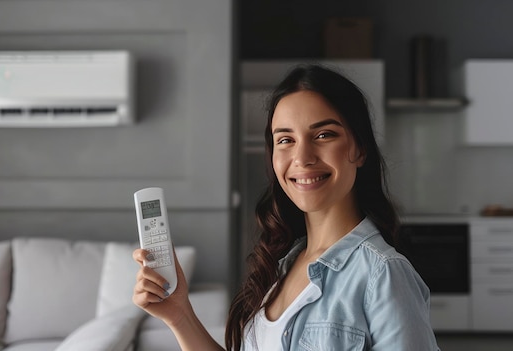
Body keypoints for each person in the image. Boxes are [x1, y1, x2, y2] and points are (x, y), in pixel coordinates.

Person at [132, 64, 440, 350]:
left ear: (359, 150)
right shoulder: (282, 265)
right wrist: (180, 315)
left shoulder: (382, 274)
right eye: (285, 140)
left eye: (323, 135)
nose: (302, 157)